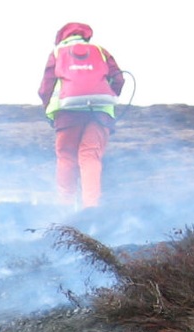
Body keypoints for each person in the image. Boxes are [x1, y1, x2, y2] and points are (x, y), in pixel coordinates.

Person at [37, 21, 124, 210]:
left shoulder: (58, 52)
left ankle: (65, 208)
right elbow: (119, 79)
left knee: (66, 158)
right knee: (90, 157)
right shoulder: (100, 51)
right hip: (100, 114)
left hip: (67, 115)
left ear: (61, 37)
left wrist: (49, 111)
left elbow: (45, 87)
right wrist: (108, 97)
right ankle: (91, 208)